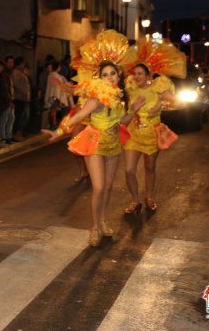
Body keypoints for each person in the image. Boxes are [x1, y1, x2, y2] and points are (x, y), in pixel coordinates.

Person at [42, 30, 144, 247]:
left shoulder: (120, 97)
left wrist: (133, 110)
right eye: (105, 75)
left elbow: (122, 123)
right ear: (100, 77)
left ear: (119, 75)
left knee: (107, 187)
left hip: (113, 144)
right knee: (98, 187)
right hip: (95, 143)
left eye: (113, 74)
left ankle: (104, 220)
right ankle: (95, 226)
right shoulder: (97, 97)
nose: (110, 78)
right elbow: (78, 115)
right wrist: (58, 132)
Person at [122, 40, 185, 214]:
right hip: (133, 132)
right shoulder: (131, 89)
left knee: (150, 168)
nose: (136, 77)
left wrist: (162, 106)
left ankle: (149, 197)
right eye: (135, 73)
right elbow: (127, 109)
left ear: (149, 76)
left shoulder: (158, 89)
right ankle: (135, 200)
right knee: (128, 170)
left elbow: (179, 103)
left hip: (151, 133)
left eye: (140, 74)